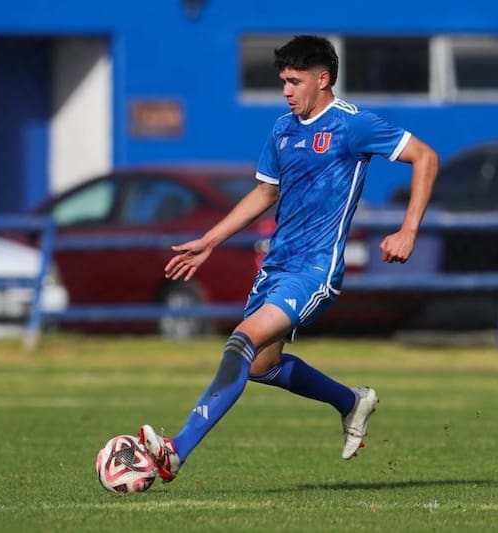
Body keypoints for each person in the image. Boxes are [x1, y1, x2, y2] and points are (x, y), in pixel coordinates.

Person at [137, 35, 439, 483]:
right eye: (283, 81)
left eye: (294, 81)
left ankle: (177, 449)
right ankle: (350, 401)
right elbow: (265, 192)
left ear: (323, 79)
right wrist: (211, 240)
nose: (286, 90)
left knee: (241, 339)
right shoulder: (282, 129)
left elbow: (425, 157)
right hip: (276, 267)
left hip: (316, 268)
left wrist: (408, 229)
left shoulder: (351, 124)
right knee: (260, 365)